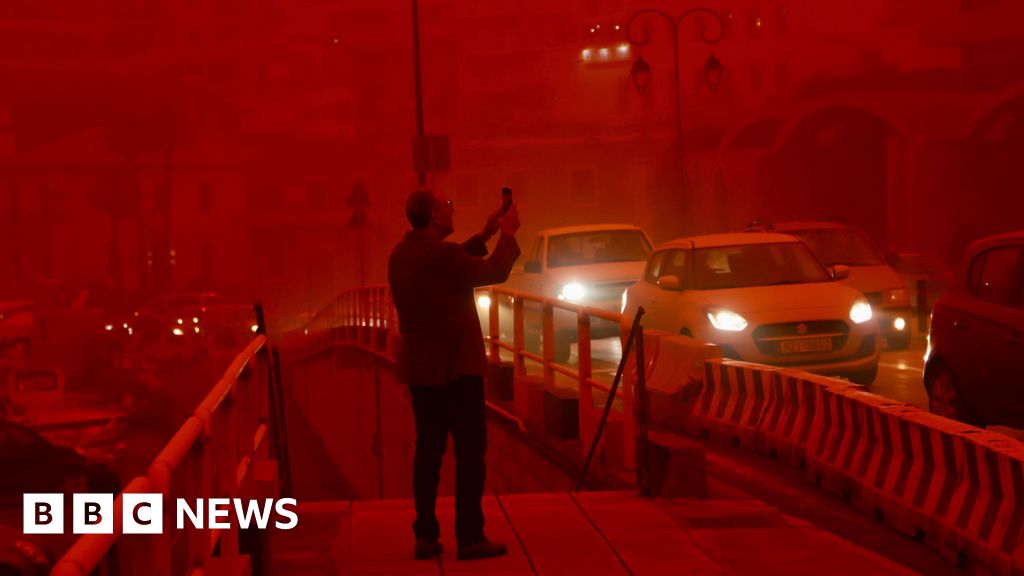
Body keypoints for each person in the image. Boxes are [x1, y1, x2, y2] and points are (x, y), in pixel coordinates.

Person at [387, 189, 521, 561]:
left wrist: (486, 233)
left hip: (421, 369)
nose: (451, 210)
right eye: (448, 206)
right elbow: (494, 271)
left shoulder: (401, 254)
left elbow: (448, 264)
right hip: (456, 368)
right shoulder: (441, 256)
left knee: (428, 451)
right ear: (433, 214)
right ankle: (470, 536)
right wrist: (508, 233)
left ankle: (426, 534)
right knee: (470, 452)